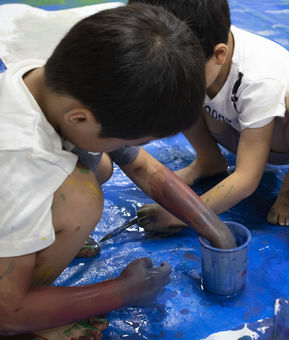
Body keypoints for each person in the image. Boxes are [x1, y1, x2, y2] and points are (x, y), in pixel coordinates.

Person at [0, 4, 209, 338]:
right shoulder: (19, 161)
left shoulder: (55, 82)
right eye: (137, 137)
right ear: (80, 119)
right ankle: (34, 319)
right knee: (81, 198)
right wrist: (121, 291)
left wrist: (215, 229)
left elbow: (140, 164)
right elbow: (6, 312)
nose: (139, 146)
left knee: (100, 164)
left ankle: (35, 250)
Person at [128, 0, 289, 230]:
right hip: (230, 126)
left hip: (279, 141)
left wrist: (183, 215)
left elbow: (246, 178)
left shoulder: (258, 78)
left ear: (219, 54)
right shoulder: (192, 49)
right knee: (177, 91)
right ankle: (209, 160)